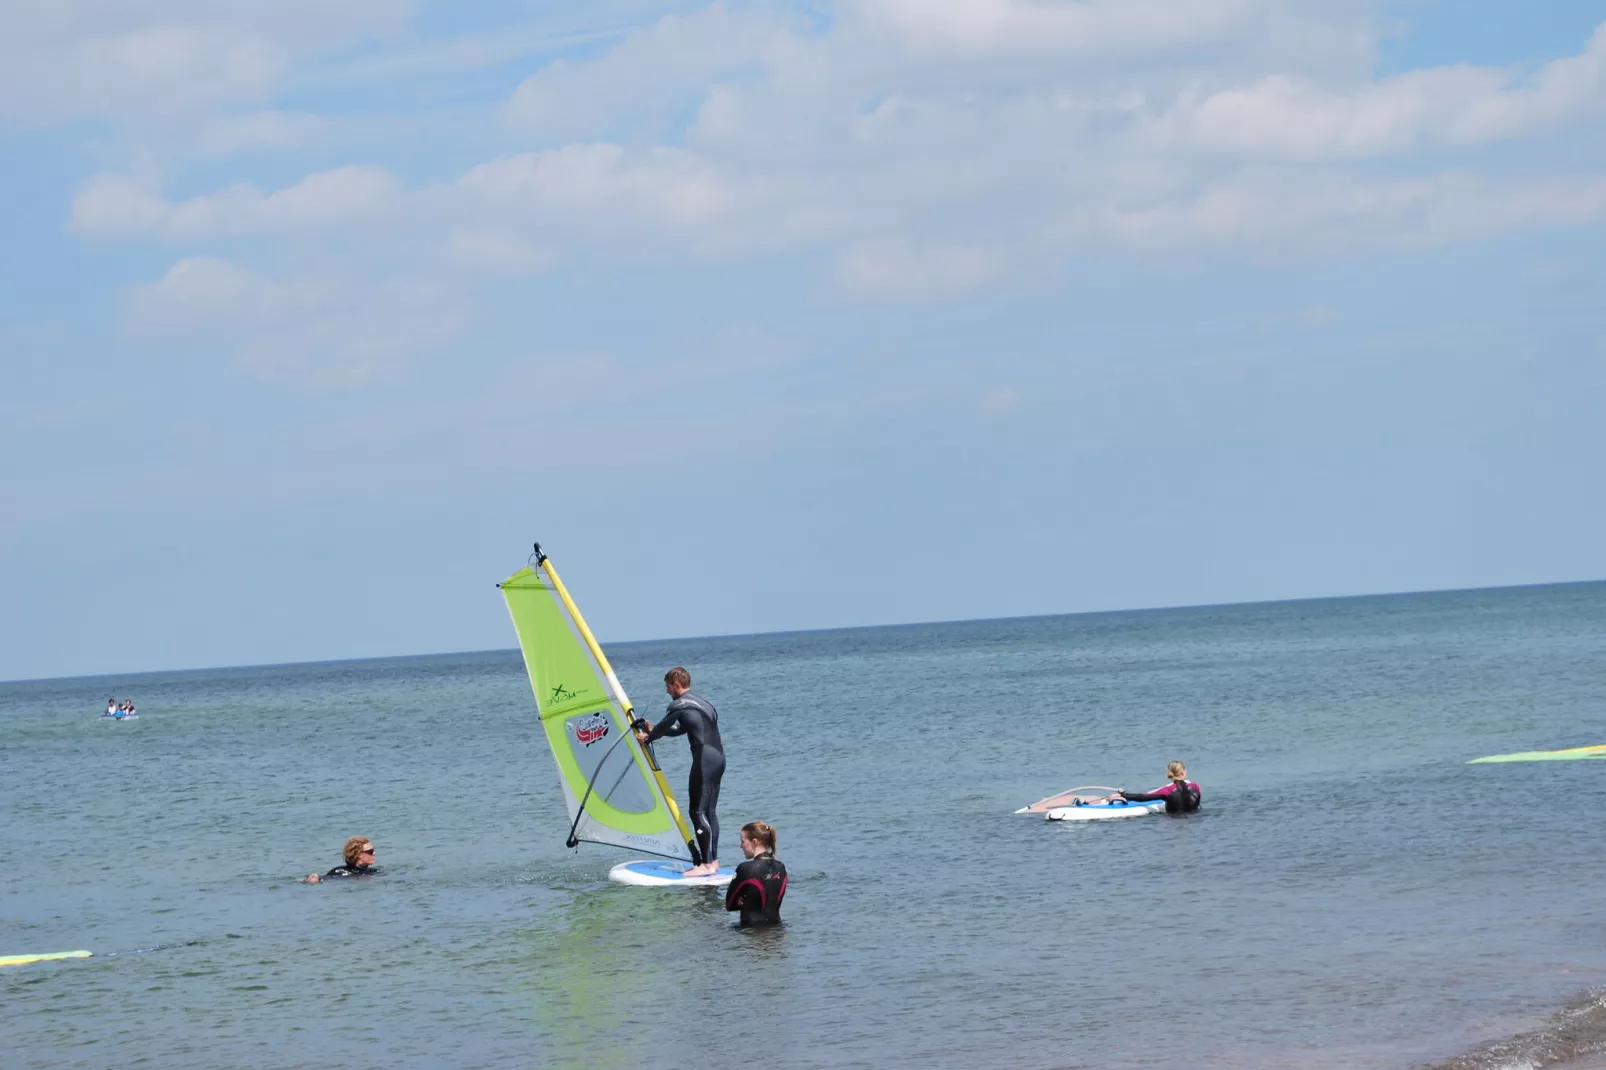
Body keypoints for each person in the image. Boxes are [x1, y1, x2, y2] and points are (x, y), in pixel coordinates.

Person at [635, 667, 725, 877]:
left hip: (703, 759)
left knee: (697, 812)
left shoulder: (678, 704)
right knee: (709, 811)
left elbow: (663, 727)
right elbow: (676, 730)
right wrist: (653, 730)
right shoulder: (703, 704)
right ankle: (713, 861)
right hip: (719, 758)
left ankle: (705, 865)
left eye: (668, 687)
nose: (667, 692)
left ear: (676, 684)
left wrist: (647, 738)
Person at [725, 821, 786, 926]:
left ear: (754, 842)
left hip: (751, 932)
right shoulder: (781, 867)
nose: (741, 846)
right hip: (777, 931)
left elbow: (730, 905)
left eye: (743, 841)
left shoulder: (745, 868)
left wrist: (743, 898)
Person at [1110, 760, 1201, 814]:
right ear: (1183, 772)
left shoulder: (1167, 791)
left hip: (1174, 822)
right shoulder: (1195, 786)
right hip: (1194, 819)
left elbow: (1143, 798)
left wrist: (1124, 795)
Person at [303, 837, 380, 883]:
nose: (374, 853)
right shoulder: (340, 871)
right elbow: (322, 879)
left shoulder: (374, 871)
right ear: (359, 854)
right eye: (370, 851)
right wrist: (315, 878)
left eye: (373, 850)